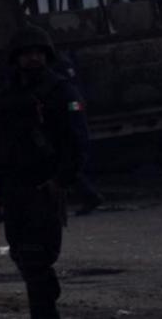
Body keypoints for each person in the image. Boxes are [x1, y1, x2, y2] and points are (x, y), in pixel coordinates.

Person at [0, 25, 89, 319]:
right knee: (21, 253)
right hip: (14, 187)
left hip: (45, 184)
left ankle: (45, 311)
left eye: (38, 53)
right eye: (26, 54)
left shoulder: (60, 91)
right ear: (16, 58)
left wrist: (62, 179)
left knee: (37, 256)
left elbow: (76, 139)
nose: (33, 59)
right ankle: (44, 301)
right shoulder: (7, 94)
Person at [55, 52, 104, 215]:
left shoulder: (58, 67)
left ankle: (90, 195)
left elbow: (73, 108)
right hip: (73, 123)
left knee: (68, 166)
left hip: (71, 126)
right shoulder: (64, 63)